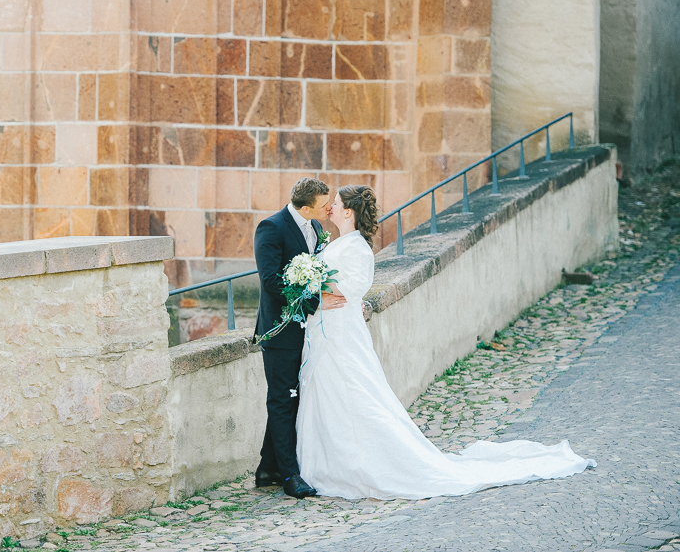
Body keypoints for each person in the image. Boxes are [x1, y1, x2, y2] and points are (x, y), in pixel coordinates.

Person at [295, 184, 596, 499]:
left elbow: (356, 285)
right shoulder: (339, 242)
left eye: (337, 202)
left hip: (341, 332)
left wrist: (316, 284)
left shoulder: (355, 246)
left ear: (348, 211)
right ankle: (332, 463)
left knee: (355, 393)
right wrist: (313, 287)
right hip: (327, 328)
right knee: (331, 393)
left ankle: (363, 464)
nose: (330, 207)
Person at [253, 178, 345, 499]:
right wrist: (314, 300)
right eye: (324, 205)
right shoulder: (271, 228)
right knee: (282, 399)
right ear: (305, 207)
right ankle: (291, 476)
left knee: (290, 397)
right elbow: (270, 282)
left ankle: (268, 468)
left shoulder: (316, 228)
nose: (329, 208)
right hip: (280, 330)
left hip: (308, 330)